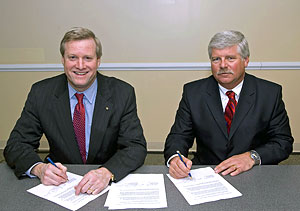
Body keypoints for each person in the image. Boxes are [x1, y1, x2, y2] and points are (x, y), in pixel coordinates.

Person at [4, 27, 147, 195]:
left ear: (98, 61)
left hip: (106, 185)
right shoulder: (41, 93)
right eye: (73, 57)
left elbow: (135, 146)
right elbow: (16, 145)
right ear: (63, 60)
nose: (80, 65)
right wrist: (39, 169)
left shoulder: (122, 93)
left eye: (87, 58)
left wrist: (106, 172)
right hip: (61, 185)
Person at [164, 30, 294, 179]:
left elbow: (283, 142)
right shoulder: (193, 92)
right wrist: (175, 159)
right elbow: (178, 136)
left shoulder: (269, 93)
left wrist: (252, 157)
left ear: (246, 60)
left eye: (230, 58)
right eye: (216, 59)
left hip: (253, 174)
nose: (223, 65)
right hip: (208, 173)